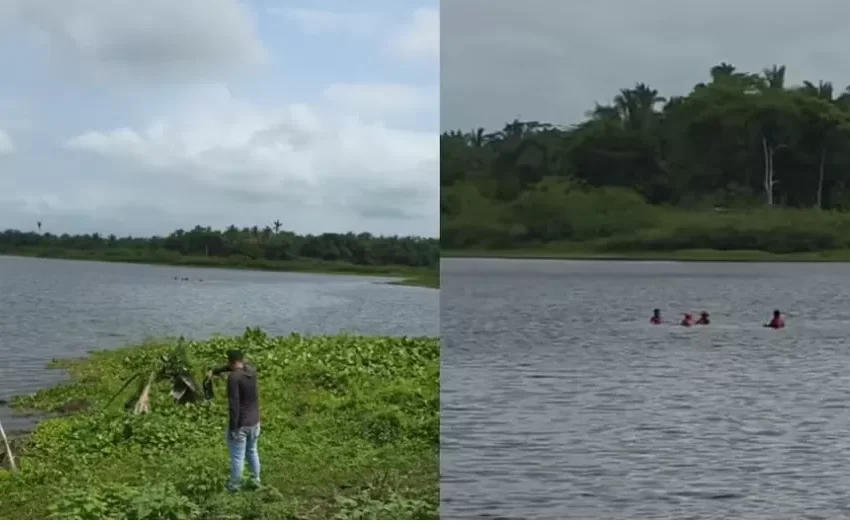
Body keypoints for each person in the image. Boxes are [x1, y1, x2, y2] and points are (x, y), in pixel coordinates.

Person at [208, 350, 261, 492]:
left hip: (241, 424)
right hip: (255, 422)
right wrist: (216, 370)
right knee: (252, 451)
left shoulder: (233, 379)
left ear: (230, 361)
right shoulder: (251, 371)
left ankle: (234, 486)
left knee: (238, 456)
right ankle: (256, 480)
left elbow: (234, 405)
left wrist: (233, 428)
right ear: (242, 360)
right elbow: (236, 366)